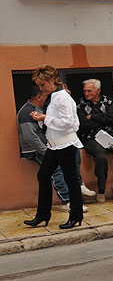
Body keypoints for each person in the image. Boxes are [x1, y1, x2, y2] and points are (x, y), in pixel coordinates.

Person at [24, 65, 85, 230]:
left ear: (52, 80)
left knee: (71, 181)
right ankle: (43, 214)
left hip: (66, 145)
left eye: (43, 85)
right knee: (43, 176)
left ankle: (76, 215)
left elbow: (70, 123)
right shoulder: (54, 96)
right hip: (54, 146)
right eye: (39, 86)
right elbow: (54, 121)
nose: (41, 89)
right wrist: (41, 119)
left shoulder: (63, 98)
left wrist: (44, 117)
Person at [18, 85, 88, 213]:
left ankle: (78, 191)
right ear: (39, 96)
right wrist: (47, 152)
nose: (48, 97)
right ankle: (66, 201)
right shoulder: (26, 112)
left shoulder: (50, 105)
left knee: (70, 169)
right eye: (45, 94)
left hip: (58, 144)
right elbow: (30, 137)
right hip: (36, 150)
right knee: (56, 171)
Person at [77, 79, 113, 202]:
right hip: (91, 138)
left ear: (98, 90)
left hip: (110, 135)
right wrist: (102, 119)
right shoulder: (80, 105)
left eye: (89, 91)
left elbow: (111, 119)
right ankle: (101, 190)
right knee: (100, 157)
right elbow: (83, 124)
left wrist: (93, 117)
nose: (86, 93)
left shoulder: (108, 101)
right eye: (84, 91)